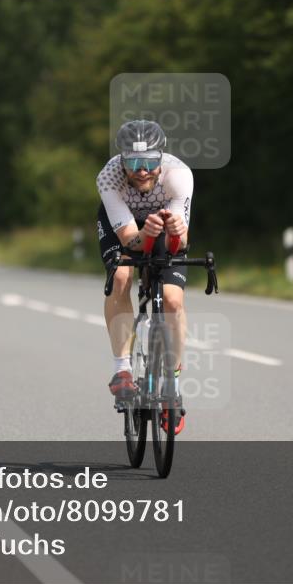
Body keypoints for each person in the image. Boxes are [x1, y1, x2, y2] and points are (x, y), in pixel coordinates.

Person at [97, 120, 192, 433]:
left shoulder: (178, 175)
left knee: (173, 302)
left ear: (161, 158)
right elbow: (129, 240)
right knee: (121, 276)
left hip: (163, 225)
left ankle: (172, 382)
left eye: (150, 163)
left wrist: (174, 233)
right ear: (121, 161)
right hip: (124, 228)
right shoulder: (109, 177)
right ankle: (122, 368)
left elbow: (182, 242)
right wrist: (144, 235)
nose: (142, 171)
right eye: (133, 163)